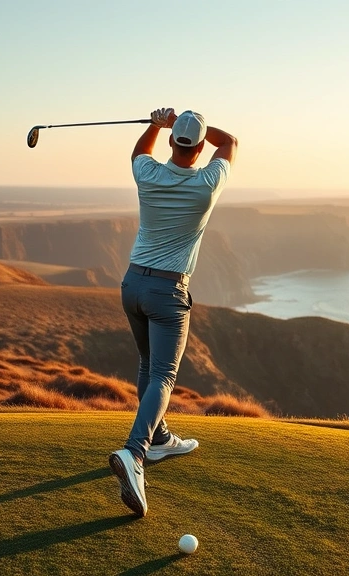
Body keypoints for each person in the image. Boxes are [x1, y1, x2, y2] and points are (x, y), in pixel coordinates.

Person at [109, 107, 238, 517]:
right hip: (167, 291)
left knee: (148, 364)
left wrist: (158, 122)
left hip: (132, 284)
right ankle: (135, 452)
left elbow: (138, 152)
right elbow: (229, 142)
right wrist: (191, 123)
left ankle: (160, 438)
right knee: (164, 374)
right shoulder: (205, 184)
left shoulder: (147, 174)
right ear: (199, 148)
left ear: (170, 141)